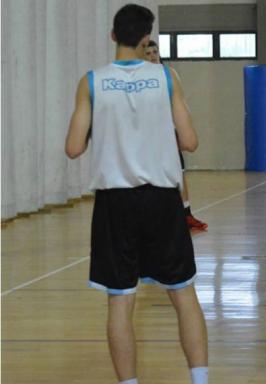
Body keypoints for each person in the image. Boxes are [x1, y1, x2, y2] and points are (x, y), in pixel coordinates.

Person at [65, 5, 208, 384]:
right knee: (183, 295)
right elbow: (190, 141)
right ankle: (201, 380)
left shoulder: (91, 81)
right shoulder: (166, 77)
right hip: (162, 200)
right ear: (147, 39)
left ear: (113, 36)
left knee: (120, 299)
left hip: (116, 203)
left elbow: (74, 147)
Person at [144, 40, 209, 231]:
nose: (153, 56)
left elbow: (180, 104)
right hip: (146, 136)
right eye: (148, 53)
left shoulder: (168, 75)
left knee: (179, 173)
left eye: (155, 52)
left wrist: (183, 129)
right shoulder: (137, 80)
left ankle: (186, 214)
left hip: (167, 132)